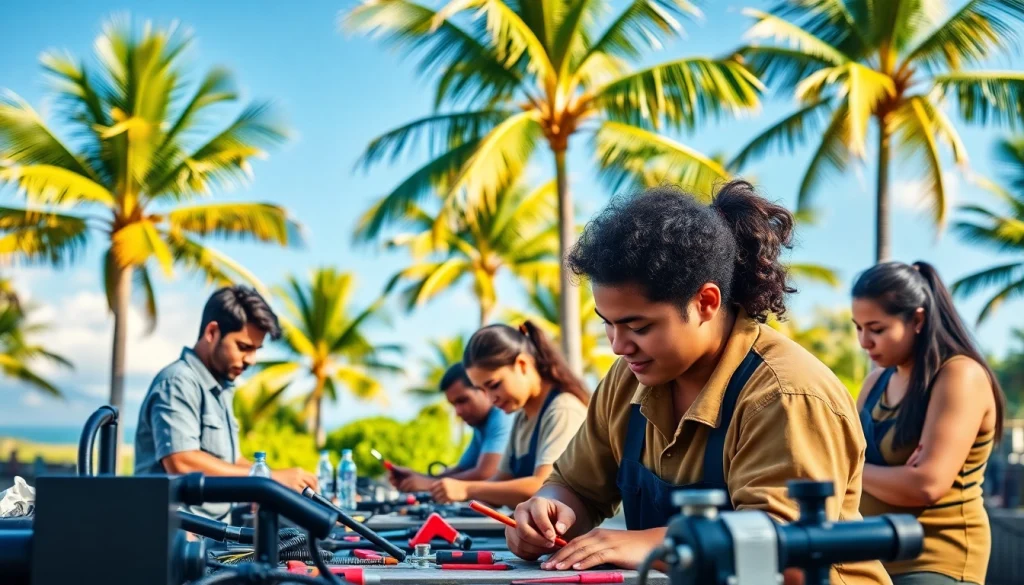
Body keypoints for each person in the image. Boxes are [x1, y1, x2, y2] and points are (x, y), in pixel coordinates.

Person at [506, 180, 891, 585]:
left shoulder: (785, 395)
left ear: (705, 302)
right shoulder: (627, 382)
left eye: (638, 326)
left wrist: (654, 544)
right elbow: (576, 486)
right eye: (609, 325)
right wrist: (547, 511)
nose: (619, 346)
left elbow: (785, 558)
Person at [852, 261, 1005, 585]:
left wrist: (853, 467)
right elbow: (846, 455)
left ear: (917, 319)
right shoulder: (875, 382)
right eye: (858, 327)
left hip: (933, 561)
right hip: (870, 559)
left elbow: (926, 485)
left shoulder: (959, 376)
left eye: (877, 329)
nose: (864, 342)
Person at [134, 286, 318, 518]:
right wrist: (268, 479)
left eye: (256, 350)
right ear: (212, 332)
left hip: (218, 534)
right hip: (181, 538)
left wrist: (277, 481)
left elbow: (230, 463)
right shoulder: (178, 381)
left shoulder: (219, 387)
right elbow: (182, 462)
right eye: (243, 347)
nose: (251, 359)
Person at [428, 321, 591, 508]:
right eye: (482, 390)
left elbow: (545, 488)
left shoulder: (563, 410)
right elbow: (501, 480)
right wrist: (453, 493)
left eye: (494, 385)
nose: (490, 399)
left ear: (522, 364)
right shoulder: (523, 417)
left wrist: (466, 489)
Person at [387, 362, 514, 492]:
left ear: (483, 390)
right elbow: (463, 469)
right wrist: (419, 476)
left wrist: (430, 484)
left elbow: (486, 473)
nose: (458, 412)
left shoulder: (502, 415)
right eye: (453, 404)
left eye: (463, 400)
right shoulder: (481, 425)